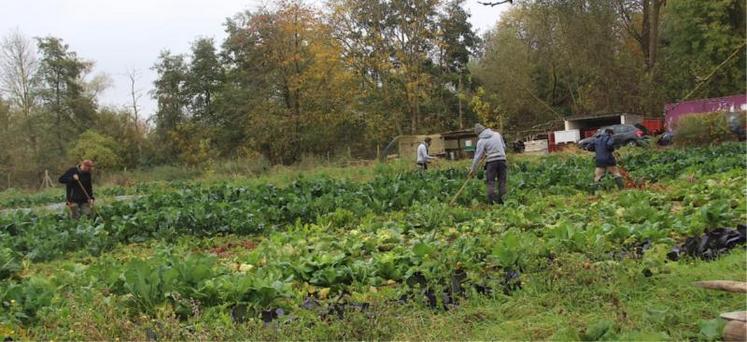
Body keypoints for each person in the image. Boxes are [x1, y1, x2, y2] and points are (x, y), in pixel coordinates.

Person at [469, 123, 507, 205]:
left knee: (491, 181)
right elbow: (504, 147)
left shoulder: (481, 141)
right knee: (502, 181)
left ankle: (493, 202)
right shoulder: (497, 134)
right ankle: (503, 201)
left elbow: (477, 157)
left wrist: (473, 170)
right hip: (502, 160)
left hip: (492, 162)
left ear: (478, 134)